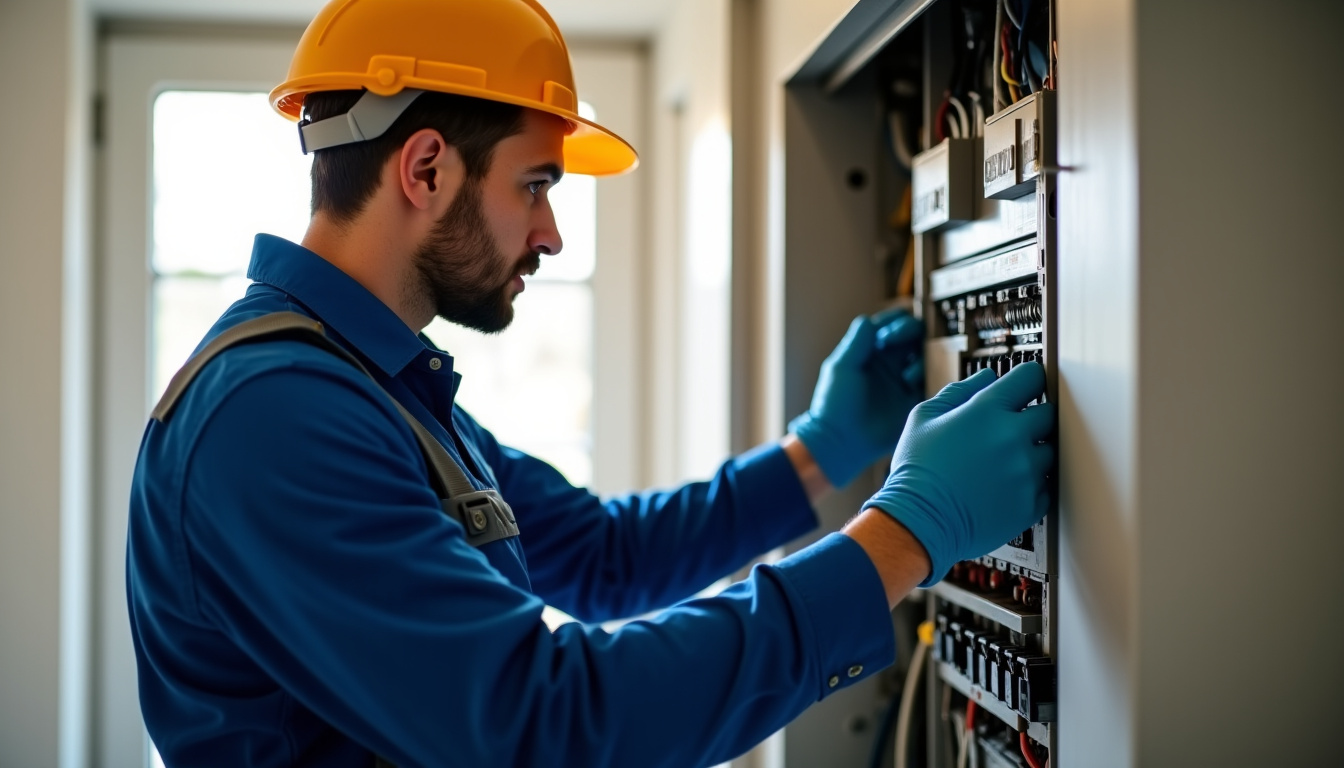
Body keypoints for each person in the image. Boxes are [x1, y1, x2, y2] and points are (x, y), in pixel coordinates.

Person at [125, 1, 1055, 766]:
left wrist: (821, 452)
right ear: (426, 168)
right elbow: (550, 724)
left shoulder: (375, 387)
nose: (552, 234)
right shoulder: (273, 418)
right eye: (535, 184)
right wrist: (906, 534)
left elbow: (607, 557)